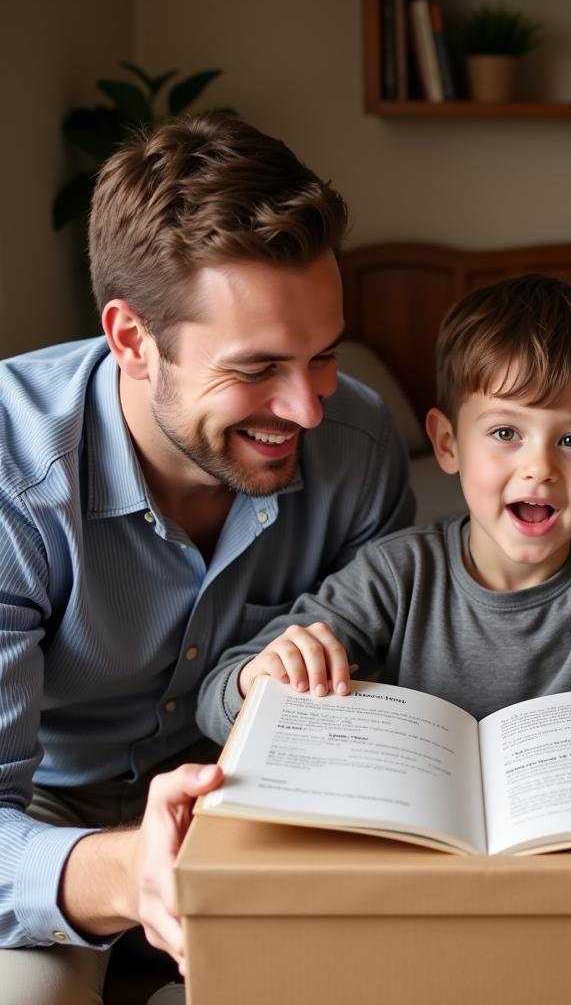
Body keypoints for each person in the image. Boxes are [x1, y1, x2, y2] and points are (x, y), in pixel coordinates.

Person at [0, 113, 414, 1003]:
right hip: (46, 821)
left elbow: (379, 681)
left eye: (325, 356)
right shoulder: (10, 474)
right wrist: (132, 873)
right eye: (258, 367)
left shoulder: (363, 440)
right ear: (131, 339)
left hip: (265, 805)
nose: (306, 409)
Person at [197, 274, 571, 778]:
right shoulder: (397, 574)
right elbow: (218, 698)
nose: (539, 467)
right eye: (504, 434)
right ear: (446, 443)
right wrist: (263, 675)